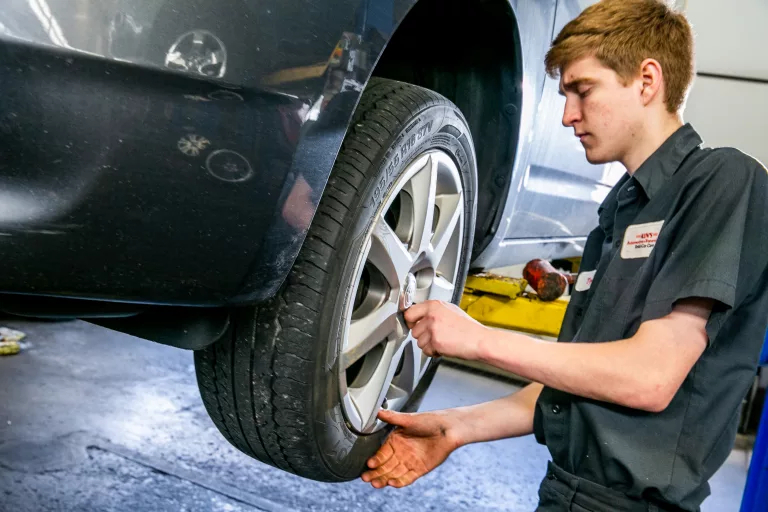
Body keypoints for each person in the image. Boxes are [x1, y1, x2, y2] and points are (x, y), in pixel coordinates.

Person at [360, 1, 768, 511]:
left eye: (583, 90)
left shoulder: (725, 181)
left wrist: (481, 340)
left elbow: (650, 377)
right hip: (562, 492)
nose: (568, 115)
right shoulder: (616, 213)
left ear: (647, 80)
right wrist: (455, 426)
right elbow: (577, 382)